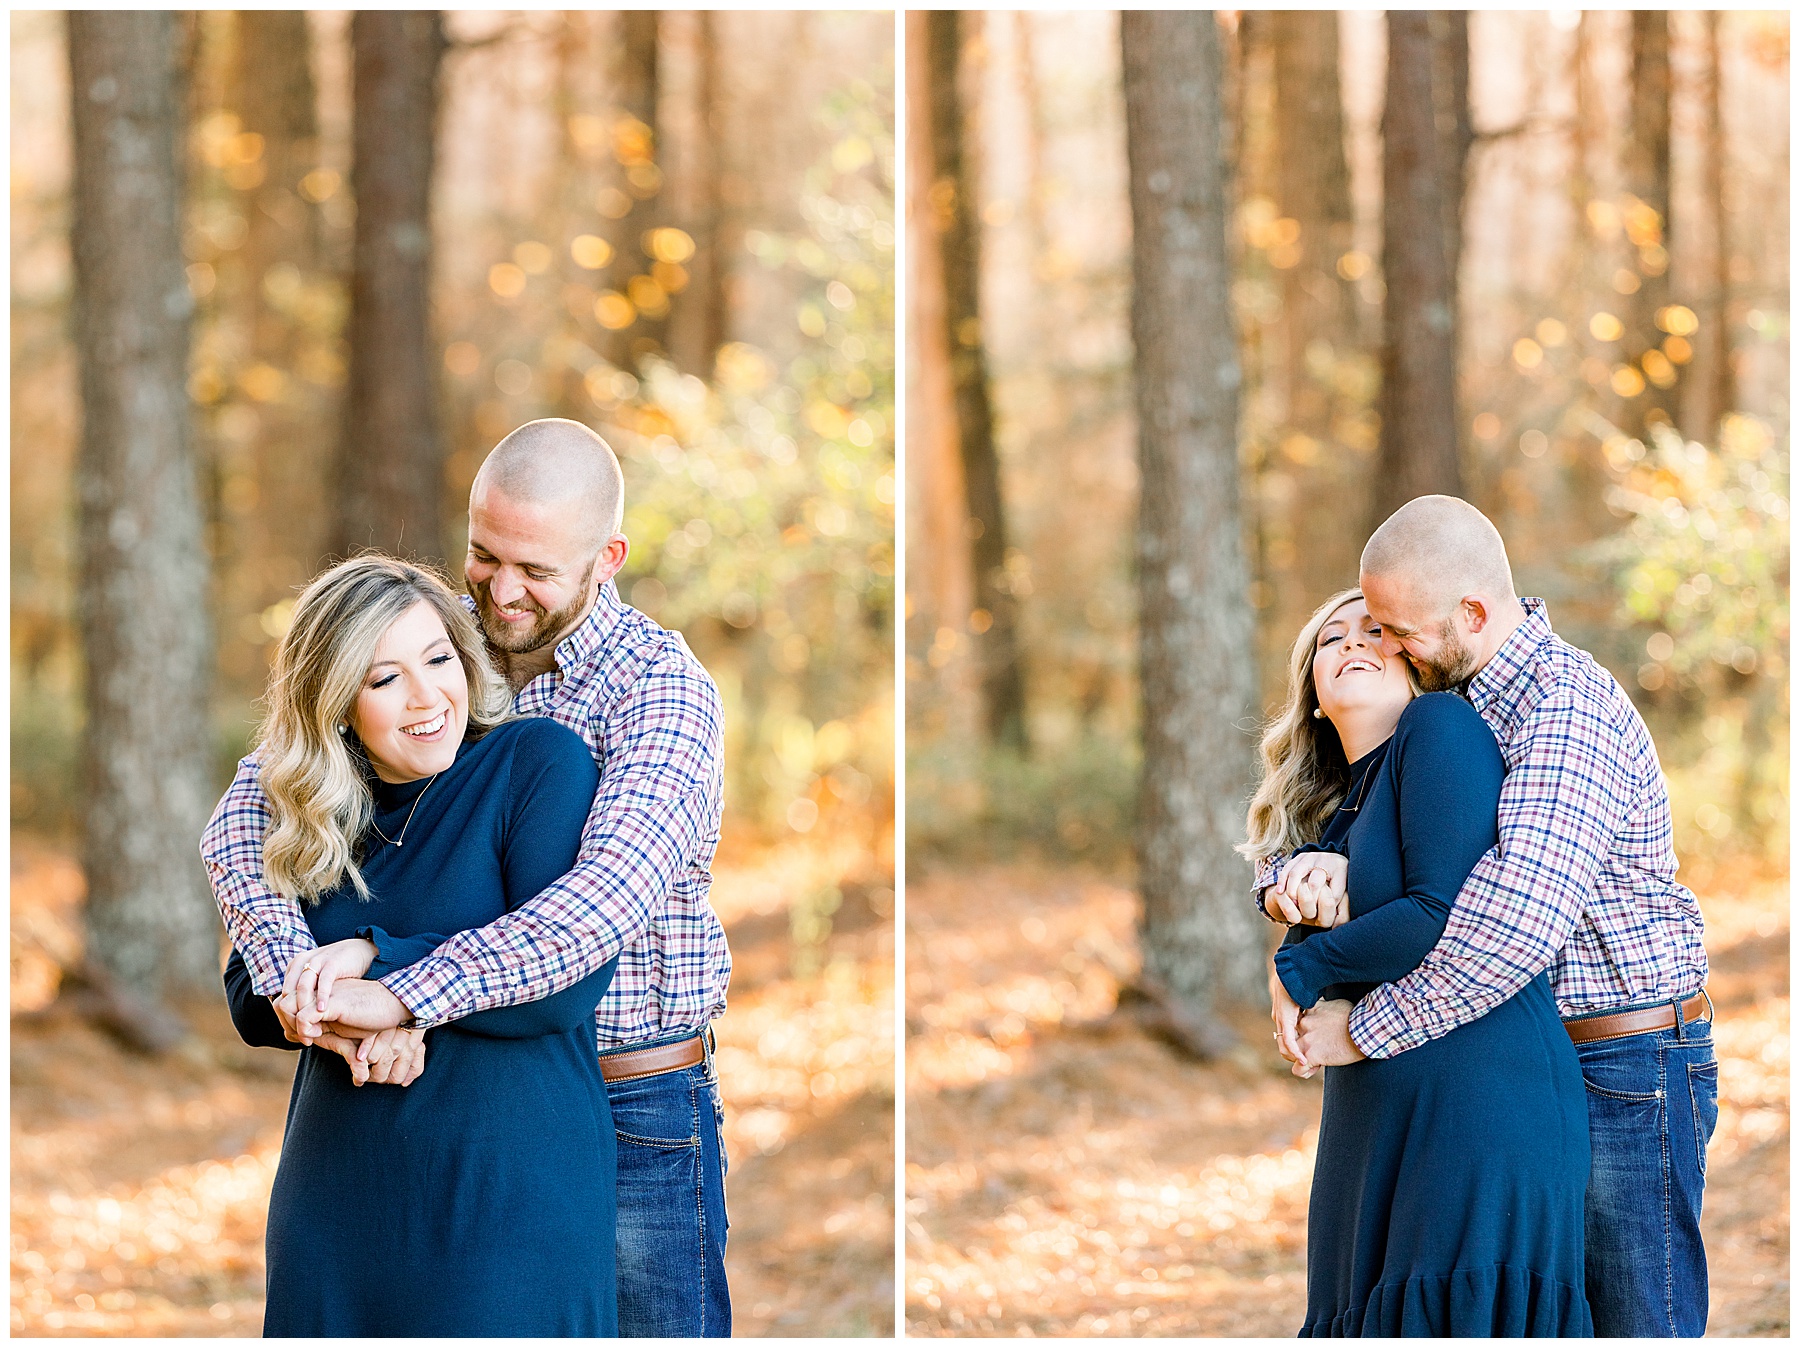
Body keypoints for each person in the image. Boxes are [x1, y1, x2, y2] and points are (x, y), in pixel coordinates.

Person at [202, 419, 733, 1336]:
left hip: (632, 1099)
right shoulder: (434, 639)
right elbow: (253, 806)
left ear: (606, 558)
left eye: (536, 570)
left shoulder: (660, 691)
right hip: (428, 1094)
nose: (502, 589)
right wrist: (312, 985)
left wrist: (394, 986)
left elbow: (594, 908)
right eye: (485, 555)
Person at [1261, 495, 1714, 1337]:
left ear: (1471, 612)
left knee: (1635, 1324)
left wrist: (1360, 1027)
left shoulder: (1563, 711)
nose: (1385, 646)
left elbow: (1508, 928)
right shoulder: (1463, 696)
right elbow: (1384, 832)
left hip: (1627, 1058)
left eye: (1398, 630)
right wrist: (1288, 880)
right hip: (1532, 1054)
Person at [217, 555, 617, 1335]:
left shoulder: (534, 764)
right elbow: (249, 997)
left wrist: (379, 961)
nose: (427, 695)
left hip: (509, 1203)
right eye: (383, 678)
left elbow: (564, 986)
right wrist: (350, 1024)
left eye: (438, 659)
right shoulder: (317, 807)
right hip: (337, 1208)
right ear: (336, 704)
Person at [1243, 587, 1592, 1336]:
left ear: (1414, 663)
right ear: (1310, 691)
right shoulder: (1345, 808)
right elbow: (1300, 885)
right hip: (1377, 1110)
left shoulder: (1440, 727)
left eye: (1376, 630)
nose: (1354, 644)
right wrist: (1292, 888)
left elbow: (1436, 914)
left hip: (1478, 1098)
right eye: (1331, 638)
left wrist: (1292, 970)